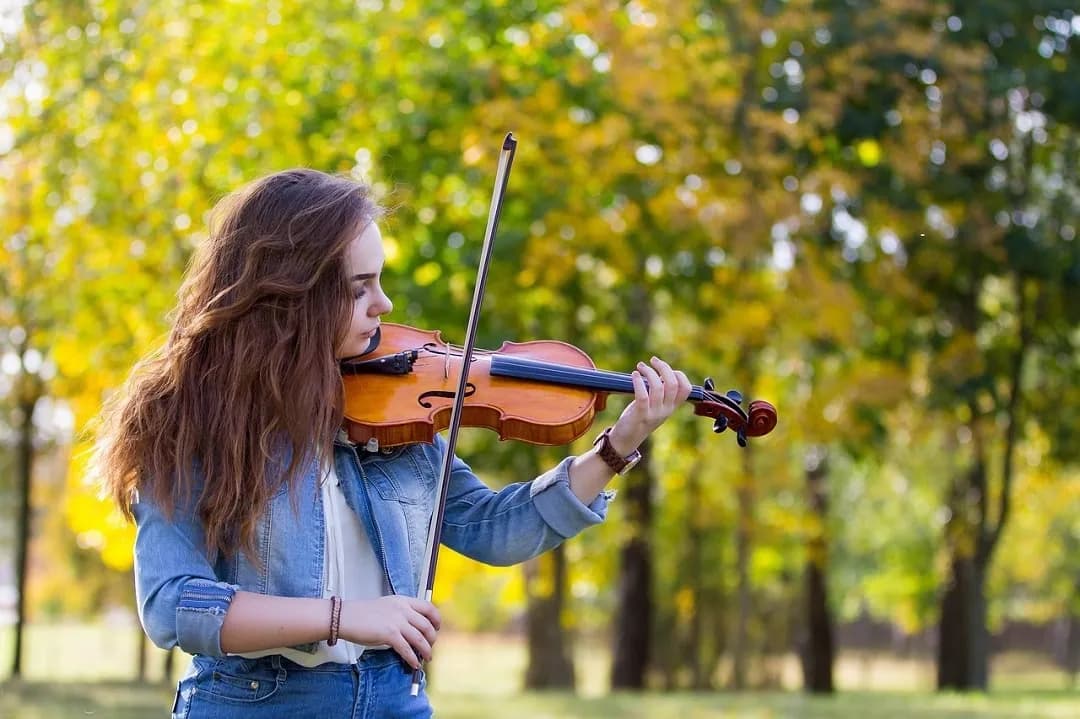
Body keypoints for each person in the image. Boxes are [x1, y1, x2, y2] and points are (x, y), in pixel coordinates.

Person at [93, 168, 691, 718]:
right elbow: (175, 606)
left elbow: (492, 527)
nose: (384, 305)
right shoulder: (190, 418)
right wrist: (345, 619)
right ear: (292, 294)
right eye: (359, 288)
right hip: (255, 702)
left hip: (390, 698)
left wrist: (618, 444)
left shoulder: (396, 407)